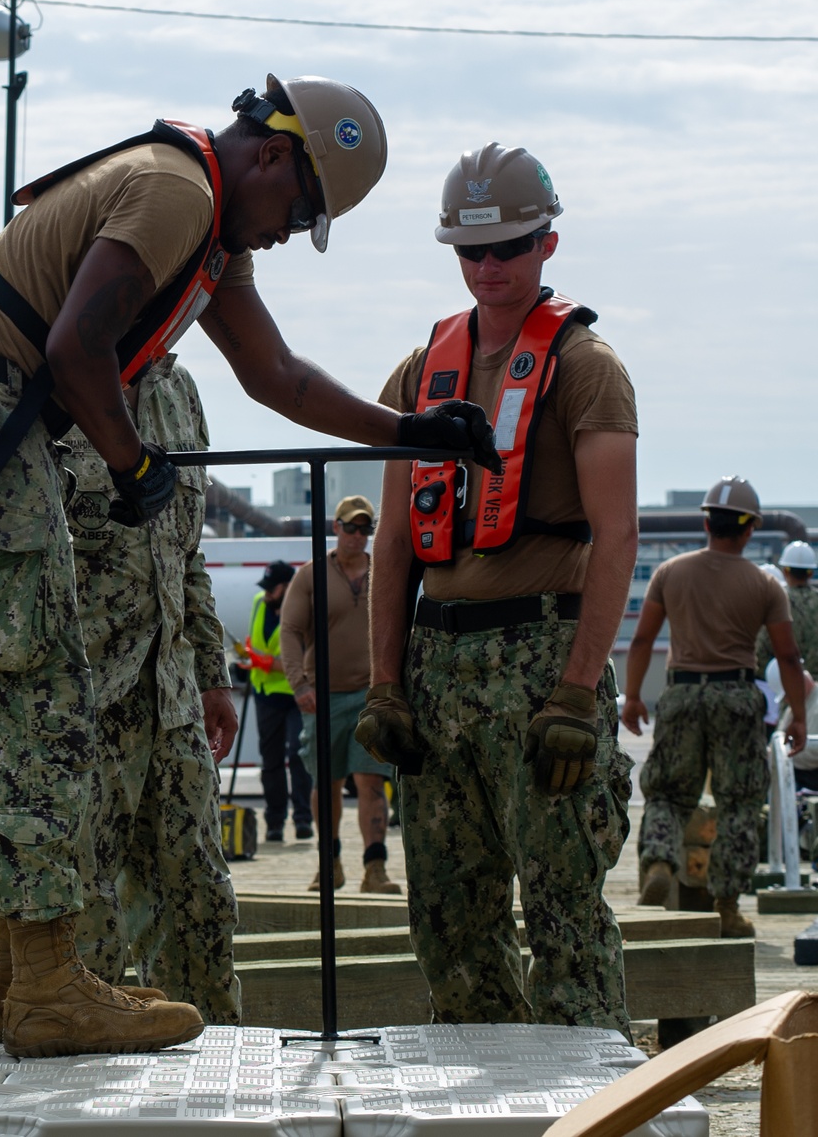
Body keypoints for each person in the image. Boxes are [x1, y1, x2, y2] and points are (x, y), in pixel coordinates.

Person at [0, 73, 500, 1059]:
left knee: (21, 691)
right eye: (300, 212)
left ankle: (22, 979)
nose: (289, 234)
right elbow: (81, 344)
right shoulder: (179, 191)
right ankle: (45, 984)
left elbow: (277, 376)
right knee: (29, 691)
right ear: (271, 155)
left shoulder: (210, 230)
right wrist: (132, 464)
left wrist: (411, 432)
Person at [360, 143, 638, 1035]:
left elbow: (618, 538)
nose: (489, 268)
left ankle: (593, 1108)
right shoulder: (420, 371)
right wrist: (385, 684)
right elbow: (396, 545)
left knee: (563, 912)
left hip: (539, 660)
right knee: (448, 921)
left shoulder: (585, 365)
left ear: (546, 245)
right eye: (471, 253)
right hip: (440, 664)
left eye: (509, 248)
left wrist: (578, 691)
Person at [69, 356, 241, 1025]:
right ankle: (78, 1081)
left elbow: (185, 549)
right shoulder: (49, 376)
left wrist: (210, 674)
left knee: (199, 899)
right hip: (81, 702)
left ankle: (217, 1060)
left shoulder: (177, 390)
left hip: (172, 695)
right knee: (84, 913)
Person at [623, 476, 807, 938]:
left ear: (707, 522)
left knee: (666, 793)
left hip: (682, 692)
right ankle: (726, 905)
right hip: (736, 696)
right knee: (739, 803)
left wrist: (632, 698)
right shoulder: (765, 585)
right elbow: (787, 656)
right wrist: (799, 716)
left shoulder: (671, 572)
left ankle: (661, 862)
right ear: (749, 529)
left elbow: (642, 638)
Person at [280, 494, 400, 893]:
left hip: (372, 697)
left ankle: (375, 867)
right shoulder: (310, 575)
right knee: (326, 782)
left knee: (372, 781)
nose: (358, 535)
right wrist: (300, 685)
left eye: (366, 528)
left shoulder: (383, 571)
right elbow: (291, 631)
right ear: (336, 528)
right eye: (351, 527)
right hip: (323, 697)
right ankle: (329, 863)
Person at [244, 561, 313, 843]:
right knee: (270, 760)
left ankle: (303, 819)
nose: (267, 592)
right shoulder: (259, 602)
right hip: (266, 696)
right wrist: (248, 662)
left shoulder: (305, 608)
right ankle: (274, 821)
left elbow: (308, 658)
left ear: (287, 587)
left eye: (273, 588)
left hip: (297, 694)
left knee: (299, 756)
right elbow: (255, 641)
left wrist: (270, 664)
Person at [756, 541, 818, 678]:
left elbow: (761, 650)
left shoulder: (775, 600)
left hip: (784, 684)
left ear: (785, 571)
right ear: (810, 573)